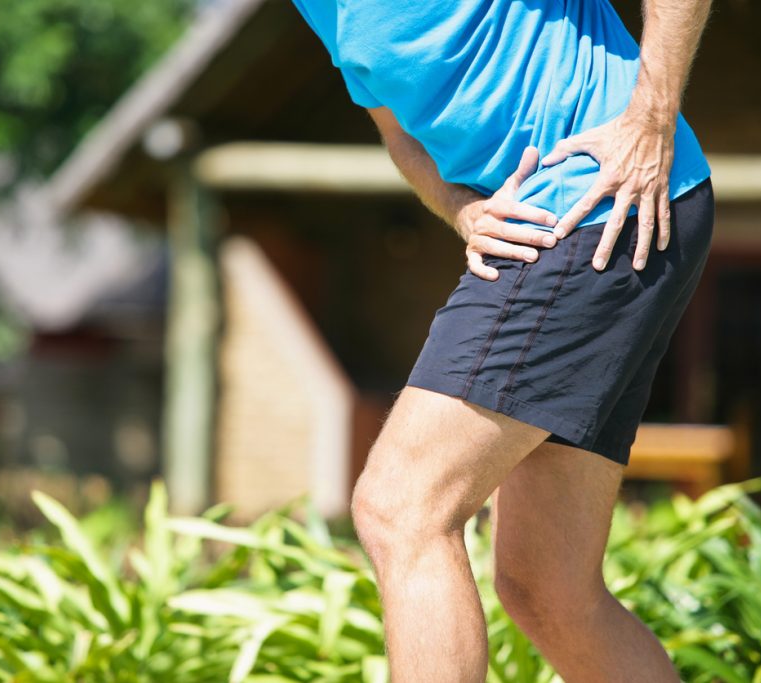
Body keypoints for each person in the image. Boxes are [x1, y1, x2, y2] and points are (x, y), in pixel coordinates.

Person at [290, 0, 714, 681]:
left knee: (402, 507)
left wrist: (652, 118)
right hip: (572, 219)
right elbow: (398, 131)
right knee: (547, 587)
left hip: (596, 203)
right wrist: (462, 208)